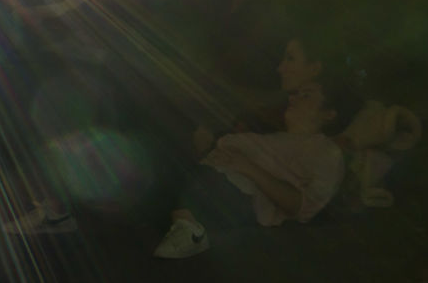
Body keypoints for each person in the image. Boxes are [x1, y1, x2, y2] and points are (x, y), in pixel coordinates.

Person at [152, 70, 354, 259]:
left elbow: (302, 207)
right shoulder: (272, 136)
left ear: (329, 114)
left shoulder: (326, 152)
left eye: (306, 96)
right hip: (210, 175)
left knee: (170, 161)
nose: (293, 99)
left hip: (237, 195)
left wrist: (247, 167)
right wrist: (206, 149)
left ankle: (190, 229)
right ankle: (184, 221)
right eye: (296, 94)